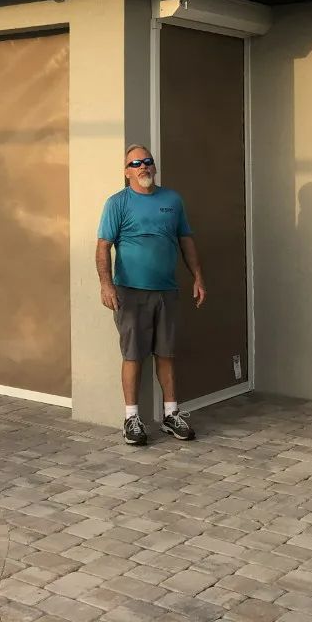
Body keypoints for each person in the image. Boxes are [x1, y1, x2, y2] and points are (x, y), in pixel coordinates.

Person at [96, 144, 206, 446]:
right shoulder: (117, 203)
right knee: (133, 355)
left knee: (166, 353)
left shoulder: (172, 200)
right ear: (127, 171)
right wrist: (106, 285)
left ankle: (172, 414)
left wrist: (198, 277)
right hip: (130, 293)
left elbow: (186, 240)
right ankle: (131, 418)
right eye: (135, 164)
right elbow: (103, 246)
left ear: (154, 167)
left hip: (167, 291)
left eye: (147, 162)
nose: (142, 167)